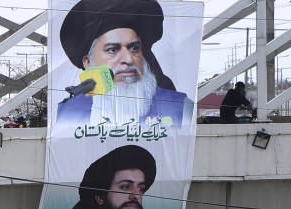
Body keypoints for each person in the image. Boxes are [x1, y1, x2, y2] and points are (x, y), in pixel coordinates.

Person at [56, 0, 193, 128]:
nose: (128, 59)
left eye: (134, 48)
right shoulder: (69, 112)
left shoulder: (180, 107)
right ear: (88, 62)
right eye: (112, 50)